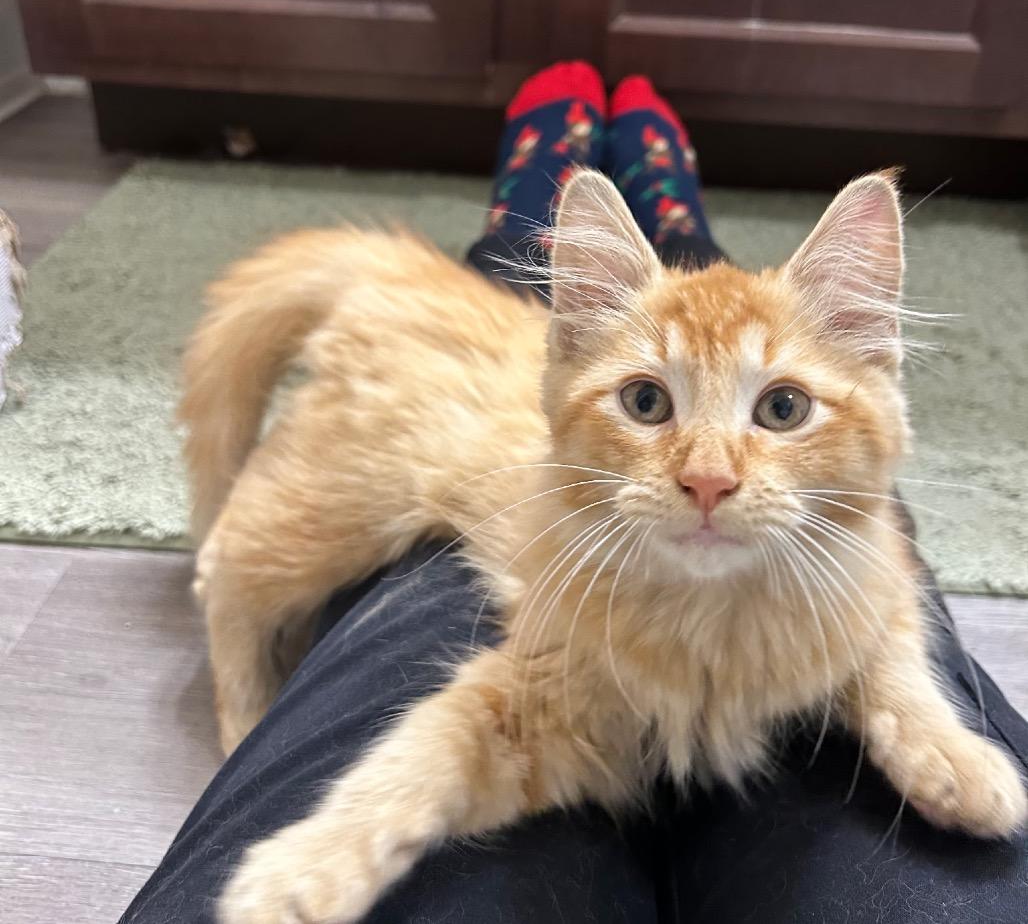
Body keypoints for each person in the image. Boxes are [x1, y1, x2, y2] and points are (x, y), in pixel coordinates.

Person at [120, 63, 1028, 924]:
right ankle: (648, 199)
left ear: (878, 364)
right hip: (463, 404)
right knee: (292, 549)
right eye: (649, 405)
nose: (708, 472)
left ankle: (557, 186)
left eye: (782, 407)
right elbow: (509, 724)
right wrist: (353, 829)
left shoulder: (849, 572)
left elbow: (883, 595)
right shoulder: (579, 591)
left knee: (628, 293)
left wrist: (901, 704)